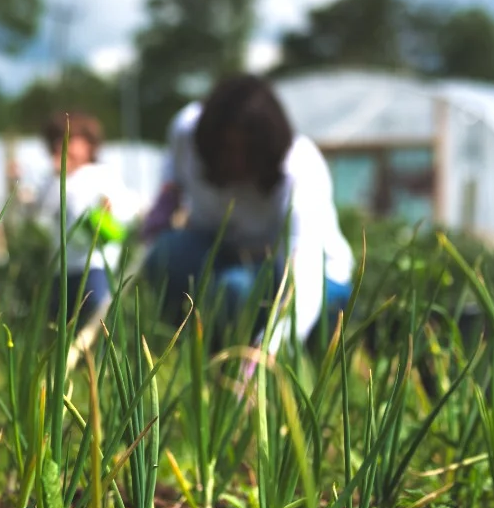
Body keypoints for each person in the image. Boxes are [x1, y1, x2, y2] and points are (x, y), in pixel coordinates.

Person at [140, 74, 355, 354]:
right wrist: (169, 193)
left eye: (248, 151)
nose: (235, 162)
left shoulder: (300, 169)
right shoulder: (186, 131)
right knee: (165, 255)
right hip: (225, 253)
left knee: (235, 289)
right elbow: (175, 166)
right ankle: (186, 345)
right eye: (226, 149)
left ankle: (254, 349)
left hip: (308, 275)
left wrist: (266, 355)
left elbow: (302, 280)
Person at [21, 111, 144, 331]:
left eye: (69, 139)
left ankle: (94, 358)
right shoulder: (53, 180)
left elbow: (127, 206)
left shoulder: (100, 174)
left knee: (95, 314)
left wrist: (113, 208)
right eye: (56, 141)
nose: (61, 145)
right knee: (59, 317)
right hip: (62, 265)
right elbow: (40, 213)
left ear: (90, 145)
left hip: (95, 262)